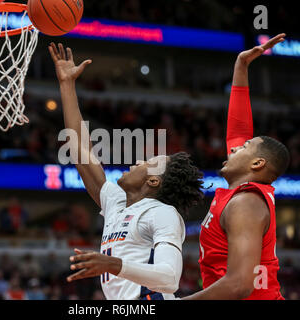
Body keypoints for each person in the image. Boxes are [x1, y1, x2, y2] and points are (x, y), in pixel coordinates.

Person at [49, 43, 204, 300]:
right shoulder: (117, 202)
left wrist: (113, 265)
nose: (139, 161)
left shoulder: (163, 213)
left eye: (147, 161)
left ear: (154, 180)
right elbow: (79, 150)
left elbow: (169, 278)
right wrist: (66, 84)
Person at [183, 34, 289, 300]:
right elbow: (239, 129)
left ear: (257, 164)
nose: (233, 147)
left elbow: (240, 285)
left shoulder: (246, 203)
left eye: (243, 148)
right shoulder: (243, 194)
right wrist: (241, 66)